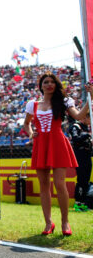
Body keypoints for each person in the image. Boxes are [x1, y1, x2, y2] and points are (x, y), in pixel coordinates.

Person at [22, 73, 92, 236]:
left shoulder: (64, 101)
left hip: (58, 142)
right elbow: (26, 124)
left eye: (52, 82)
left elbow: (79, 116)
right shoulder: (32, 104)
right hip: (41, 145)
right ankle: (48, 223)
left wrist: (90, 99)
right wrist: (32, 134)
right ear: (41, 86)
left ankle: (65, 222)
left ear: (56, 85)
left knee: (59, 184)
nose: (49, 85)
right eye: (46, 82)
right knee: (44, 185)